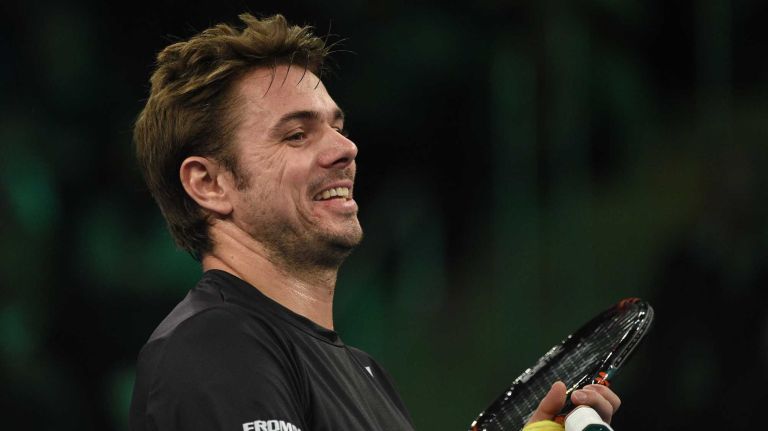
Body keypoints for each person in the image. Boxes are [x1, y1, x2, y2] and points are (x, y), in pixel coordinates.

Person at [128, 13, 621, 431]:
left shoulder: (366, 374)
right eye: (297, 135)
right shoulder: (214, 344)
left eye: (337, 128)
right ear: (209, 184)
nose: (345, 149)